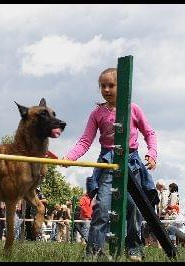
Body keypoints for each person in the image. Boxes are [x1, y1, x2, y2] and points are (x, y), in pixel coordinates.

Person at [62, 67, 159, 261]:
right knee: (102, 209)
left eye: (111, 85)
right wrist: (69, 158)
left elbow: (150, 133)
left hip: (131, 161)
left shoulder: (133, 109)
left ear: (121, 87)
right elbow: (85, 141)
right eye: (103, 86)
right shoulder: (97, 113)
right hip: (108, 163)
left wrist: (152, 154)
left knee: (133, 208)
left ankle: (134, 248)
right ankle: (93, 253)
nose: (106, 89)